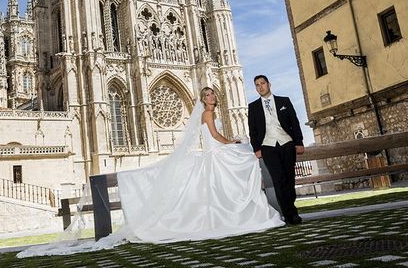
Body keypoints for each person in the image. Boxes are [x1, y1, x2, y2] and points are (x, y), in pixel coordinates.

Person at [17, 86, 282, 258]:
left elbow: (214, 135)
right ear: (203, 100)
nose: (212, 97)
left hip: (213, 153)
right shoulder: (207, 115)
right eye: (209, 95)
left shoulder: (210, 112)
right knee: (236, 167)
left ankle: (237, 211)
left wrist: (231, 142)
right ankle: (244, 211)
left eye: (212, 94)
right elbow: (214, 135)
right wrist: (232, 142)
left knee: (218, 184)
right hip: (215, 152)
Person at [248, 75, 304, 225]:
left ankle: (291, 209)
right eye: (257, 85)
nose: (260, 87)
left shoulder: (284, 101)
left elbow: (295, 122)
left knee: (289, 179)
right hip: (268, 147)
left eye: (262, 83)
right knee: (279, 181)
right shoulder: (253, 107)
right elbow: (252, 131)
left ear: (269, 84)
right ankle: (289, 215)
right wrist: (257, 148)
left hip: (287, 144)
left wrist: (299, 142)